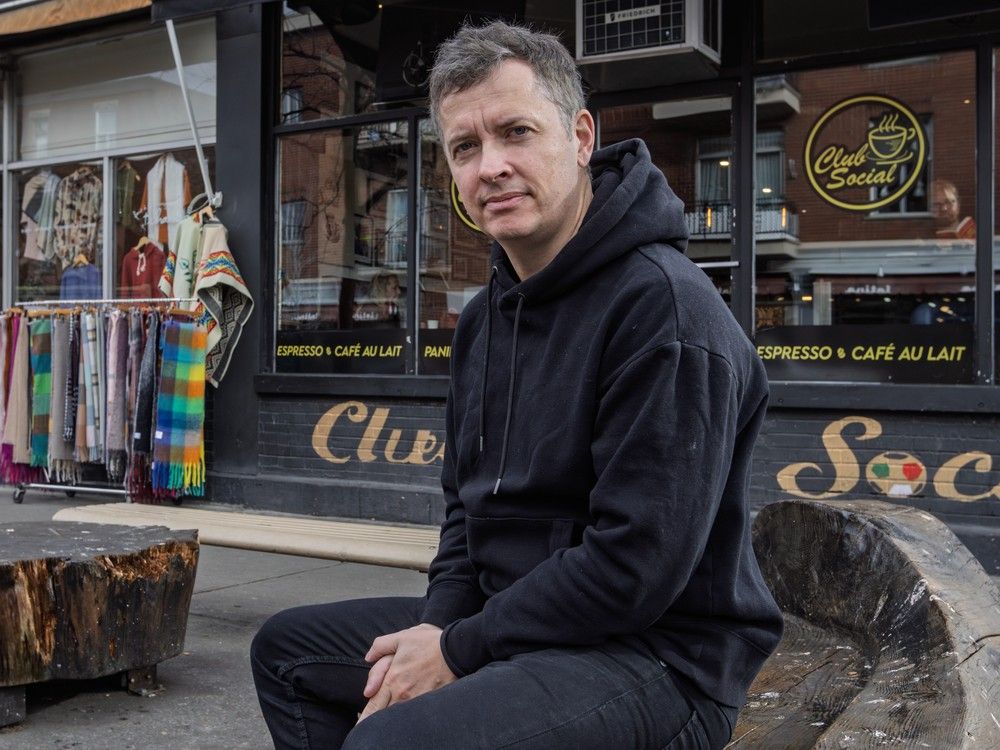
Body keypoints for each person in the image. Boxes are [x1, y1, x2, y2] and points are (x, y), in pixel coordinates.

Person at [251, 20, 783, 750]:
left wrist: (457, 651)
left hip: (662, 657)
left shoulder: (665, 310)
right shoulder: (484, 318)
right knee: (287, 653)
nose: (491, 166)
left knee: (391, 742)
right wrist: (438, 629)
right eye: (465, 147)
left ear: (581, 137)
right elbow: (465, 516)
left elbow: (634, 568)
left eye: (516, 133)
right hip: (515, 624)